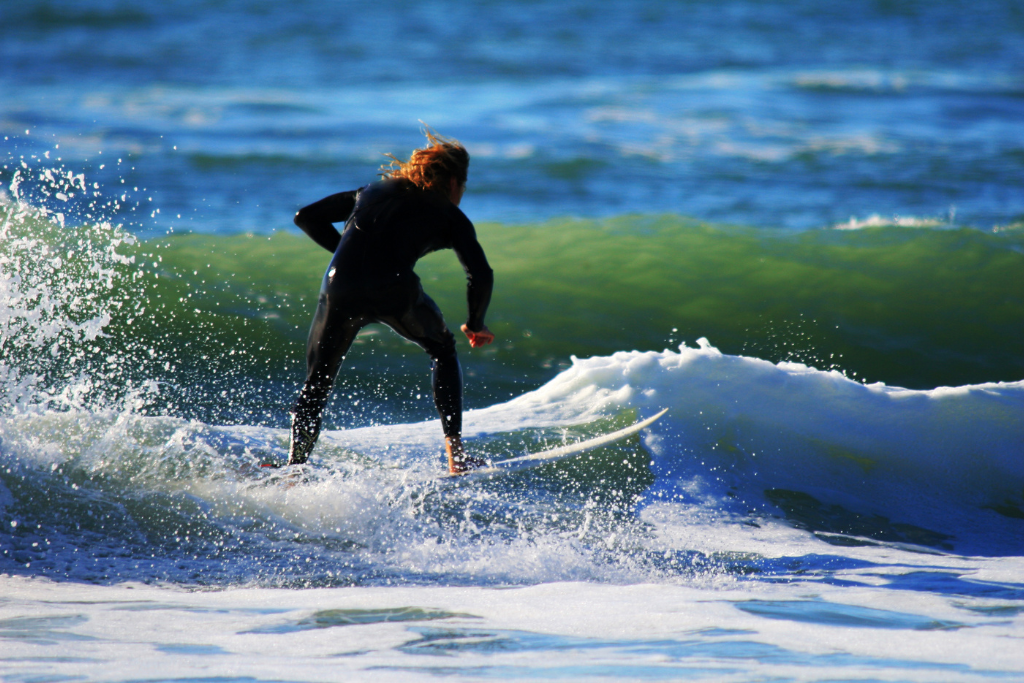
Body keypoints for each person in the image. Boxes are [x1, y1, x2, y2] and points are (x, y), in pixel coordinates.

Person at [288, 129, 494, 474]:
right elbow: (480, 272)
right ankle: (456, 458)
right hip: (393, 288)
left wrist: (346, 253)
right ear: (455, 181)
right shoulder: (449, 215)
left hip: (340, 286)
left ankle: (295, 469)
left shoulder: (369, 192)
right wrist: (476, 323)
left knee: (317, 380)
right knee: (442, 348)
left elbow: (305, 217)